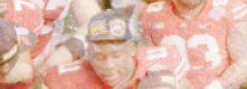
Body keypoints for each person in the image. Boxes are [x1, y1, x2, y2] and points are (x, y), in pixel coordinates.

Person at [139, 0, 247, 88]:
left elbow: (246, 61)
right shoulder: (152, 16)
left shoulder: (227, 7)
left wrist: (216, 86)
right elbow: (149, 64)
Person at [42, 10, 187, 89]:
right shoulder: (66, 78)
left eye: (116, 56)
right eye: (99, 57)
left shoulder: (163, 62)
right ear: (89, 54)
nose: (108, 66)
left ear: (132, 49)